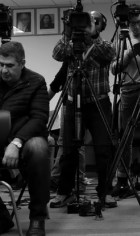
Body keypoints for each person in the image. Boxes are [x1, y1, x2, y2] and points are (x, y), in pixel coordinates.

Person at [0, 41, 50, 236]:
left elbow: (39, 118)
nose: (4, 70)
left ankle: (38, 218)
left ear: (22, 63)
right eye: (1, 64)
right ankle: (0, 216)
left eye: (10, 65)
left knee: (39, 148)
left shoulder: (36, 82)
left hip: (24, 140)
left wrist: (16, 142)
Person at [50, 11, 117, 209]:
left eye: (90, 23)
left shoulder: (100, 45)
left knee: (103, 150)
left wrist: (93, 36)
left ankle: (105, 193)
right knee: (68, 151)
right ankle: (65, 192)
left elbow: (110, 53)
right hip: (73, 102)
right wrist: (68, 33)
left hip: (99, 103)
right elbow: (56, 54)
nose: (85, 27)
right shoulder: (71, 44)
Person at [110, 5, 140, 201]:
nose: (137, 26)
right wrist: (129, 53)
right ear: (126, 23)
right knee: (125, 138)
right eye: (133, 23)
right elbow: (114, 69)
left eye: (139, 22)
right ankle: (122, 179)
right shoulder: (119, 40)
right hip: (127, 90)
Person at [48, 61, 86, 194]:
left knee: (76, 143)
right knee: (63, 142)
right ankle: (58, 178)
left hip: (80, 103)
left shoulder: (83, 58)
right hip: (68, 102)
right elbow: (60, 77)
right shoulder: (68, 55)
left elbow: (58, 79)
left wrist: (45, 97)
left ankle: (77, 181)